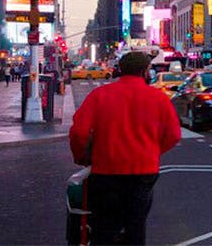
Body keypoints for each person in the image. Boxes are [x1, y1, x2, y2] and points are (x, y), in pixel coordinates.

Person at [69, 51, 181, 245]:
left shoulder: (100, 95)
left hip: (106, 170)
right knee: (136, 225)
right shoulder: (158, 98)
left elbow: (79, 131)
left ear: (120, 69)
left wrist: (82, 157)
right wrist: (152, 151)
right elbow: (173, 135)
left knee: (104, 225)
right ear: (145, 71)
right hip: (143, 171)